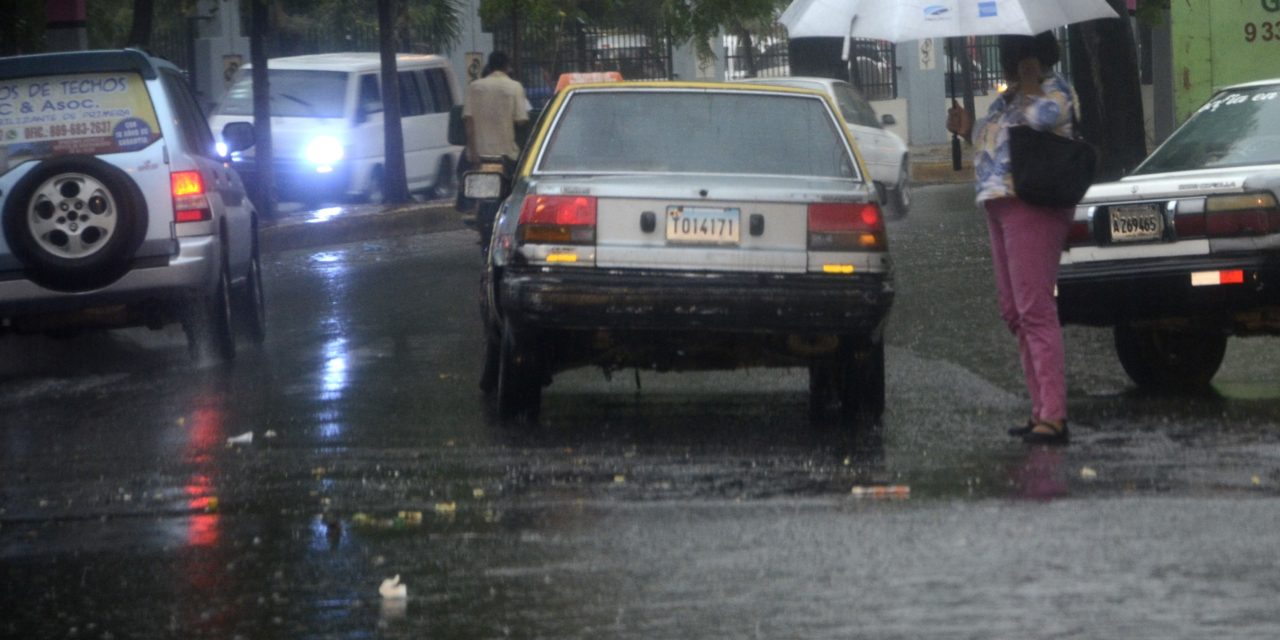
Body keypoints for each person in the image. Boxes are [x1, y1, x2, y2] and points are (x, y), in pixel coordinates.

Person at [948, 31, 1076, 445]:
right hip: (1000, 207)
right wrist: (968, 130)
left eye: (1023, 54)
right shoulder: (1005, 100)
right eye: (1014, 56)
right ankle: (1040, 409)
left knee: (1034, 308)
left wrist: (1033, 84)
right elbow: (991, 146)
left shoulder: (1057, 91)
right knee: (1013, 310)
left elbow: (1041, 120)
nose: (1017, 62)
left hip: (1032, 206)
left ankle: (1053, 415)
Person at [460, 51, 529, 249]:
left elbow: (468, 121)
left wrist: (473, 151)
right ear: (508, 67)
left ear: (489, 66)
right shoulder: (514, 87)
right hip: (507, 155)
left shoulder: (475, 87)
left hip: (479, 155)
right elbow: (521, 119)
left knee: (467, 185)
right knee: (516, 193)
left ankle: (471, 209)